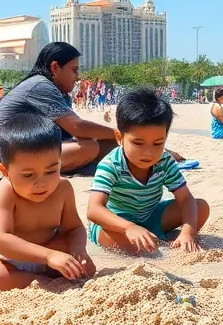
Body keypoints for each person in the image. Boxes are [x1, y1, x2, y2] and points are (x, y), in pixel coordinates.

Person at [0, 114, 96, 291]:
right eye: (28, 175)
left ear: (59, 162)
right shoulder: (6, 191)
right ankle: (41, 281)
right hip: (0, 254)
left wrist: (78, 249)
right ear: (5, 171)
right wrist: (48, 256)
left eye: (51, 171)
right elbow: (1, 239)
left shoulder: (63, 189)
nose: (41, 183)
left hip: (45, 248)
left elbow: (74, 228)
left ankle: (32, 278)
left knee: (87, 268)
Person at [87, 90, 209, 253]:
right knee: (116, 241)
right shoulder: (111, 164)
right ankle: (153, 238)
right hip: (117, 221)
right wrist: (129, 227)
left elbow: (186, 199)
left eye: (157, 143)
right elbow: (94, 210)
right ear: (119, 137)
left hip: (150, 216)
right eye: (138, 143)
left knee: (201, 207)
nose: (148, 152)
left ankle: (159, 236)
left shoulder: (164, 161)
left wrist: (188, 232)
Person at [0, 43, 117, 173]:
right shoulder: (40, 86)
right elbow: (77, 127)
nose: (77, 76)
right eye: (74, 70)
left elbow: (77, 131)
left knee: (107, 145)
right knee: (90, 148)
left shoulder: (57, 91)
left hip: (28, 147)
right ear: (55, 68)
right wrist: (121, 135)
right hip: (6, 154)